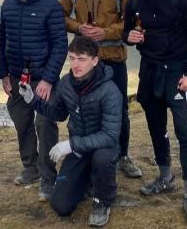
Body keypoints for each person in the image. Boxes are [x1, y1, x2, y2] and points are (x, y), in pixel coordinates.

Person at [123, 0, 187, 226]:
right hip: (149, 72)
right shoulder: (135, 2)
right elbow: (127, 33)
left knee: (186, 132)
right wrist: (130, 37)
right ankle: (165, 177)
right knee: (156, 128)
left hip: (179, 72)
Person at [59, 0, 141, 178]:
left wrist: (105, 33)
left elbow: (132, 21)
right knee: (83, 110)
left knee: (120, 111)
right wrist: (78, 27)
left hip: (113, 59)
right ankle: (85, 155)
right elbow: (61, 16)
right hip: (84, 63)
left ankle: (122, 155)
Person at [22, 36, 122, 227]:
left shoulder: (110, 91)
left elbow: (110, 136)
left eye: (82, 59)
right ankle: (88, 181)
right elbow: (59, 113)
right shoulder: (66, 83)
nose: (75, 64)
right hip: (79, 148)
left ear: (95, 60)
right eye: (72, 58)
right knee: (60, 205)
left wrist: (71, 144)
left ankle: (103, 200)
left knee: (101, 159)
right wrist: (33, 100)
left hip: (105, 147)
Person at [0, 0, 67, 200]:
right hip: (17, 78)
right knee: (21, 120)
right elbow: (2, 42)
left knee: (44, 123)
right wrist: (4, 75)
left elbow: (60, 45)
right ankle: (31, 167)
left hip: (42, 78)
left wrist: (48, 80)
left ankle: (48, 177)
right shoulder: (7, 6)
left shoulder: (51, 6)